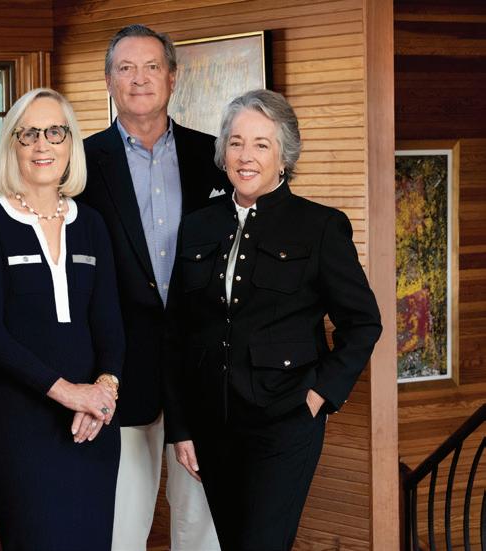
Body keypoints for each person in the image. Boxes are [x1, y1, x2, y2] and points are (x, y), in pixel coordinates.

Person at [164, 89, 383, 550]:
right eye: (236, 142)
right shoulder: (198, 225)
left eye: (261, 144)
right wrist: (180, 428)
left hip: (285, 421)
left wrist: (321, 395)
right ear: (223, 152)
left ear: (284, 156)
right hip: (211, 424)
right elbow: (178, 332)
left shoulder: (320, 226)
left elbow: (363, 322)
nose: (246, 156)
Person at [80, 23, 229, 551]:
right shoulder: (80, 163)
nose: (139, 79)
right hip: (119, 367)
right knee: (121, 527)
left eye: (151, 67)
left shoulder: (214, 157)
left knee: (201, 526)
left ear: (172, 77)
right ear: (109, 81)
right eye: (125, 68)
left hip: (203, 366)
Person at [0, 88, 124, 551]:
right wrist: (69, 393)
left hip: (92, 425)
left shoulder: (91, 224)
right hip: (19, 427)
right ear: (12, 144)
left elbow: (110, 324)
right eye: (28, 134)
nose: (42, 145)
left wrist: (103, 393)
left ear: (71, 143)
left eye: (55, 132)